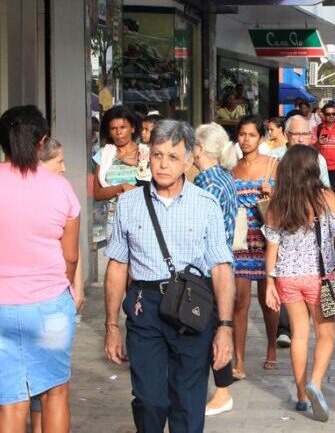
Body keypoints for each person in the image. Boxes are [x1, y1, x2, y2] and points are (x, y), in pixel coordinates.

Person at [103, 119, 234, 433]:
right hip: (144, 306)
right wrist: (111, 326)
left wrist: (226, 327)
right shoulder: (129, 203)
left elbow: (220, 268)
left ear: (189, 161)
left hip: (192, 306)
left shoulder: (206, 205)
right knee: (150, 400)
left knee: (187, 402)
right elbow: (117, 267)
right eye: (158, 155)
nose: (163, 164)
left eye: (173, 157)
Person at [0, 106, 81, 433]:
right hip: (50, 306)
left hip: (2, 306)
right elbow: (71, 257)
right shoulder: (60, 187)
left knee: (10, 399)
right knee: (55, 394)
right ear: (42, 141)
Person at [264, 145, 335, 422]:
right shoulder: (325, 198)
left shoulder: (278, 202)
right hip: (319, 276)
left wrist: (269, 282)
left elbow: (272, 247)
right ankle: (315, 382)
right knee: (325, 335)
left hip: (287, 278)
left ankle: (301, 396)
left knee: (299, 335)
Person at [190, 123, 240, 416]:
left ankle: (222, 392)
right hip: (219, 265)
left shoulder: (207, 183)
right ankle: (221, 390)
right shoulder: (223, 177)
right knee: (214, 328)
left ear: (199, 150)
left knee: (210, 330)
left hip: (208, 268)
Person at [231, 115, 282, 375]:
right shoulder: (231, 168)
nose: (246, 140)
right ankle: (238, 360)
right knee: (239, 301)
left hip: (267, 240)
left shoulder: (274, 165)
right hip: (240, 241)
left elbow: (290, 199)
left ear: (261, 138)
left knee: (267, 299)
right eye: (242, 135)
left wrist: (272, 194)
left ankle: (271, 346)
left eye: (251, 135)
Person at [93, 105, 142, 238]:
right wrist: (121, 187)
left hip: (142, 220)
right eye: (113, 128)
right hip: (113, 222)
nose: (118, 133)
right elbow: (97, 193)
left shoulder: (145, 153)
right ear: (109, 132)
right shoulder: (104, 155)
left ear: (132, 128)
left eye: (123, 127)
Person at [286, 114, 331, 187]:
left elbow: (325, 190)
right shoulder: (276, 157)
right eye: (296, 134)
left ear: (310, 136)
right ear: (286, 135)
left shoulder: (318, 160)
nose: (300, 139)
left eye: (304, 134)